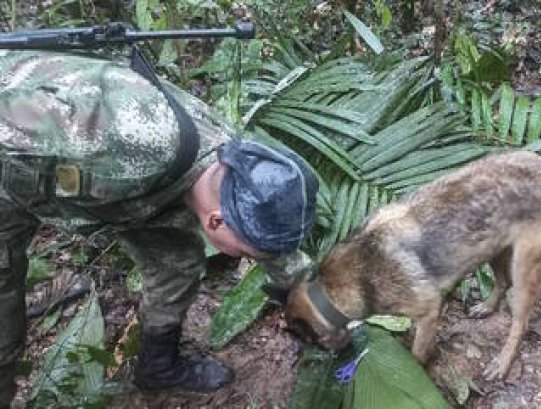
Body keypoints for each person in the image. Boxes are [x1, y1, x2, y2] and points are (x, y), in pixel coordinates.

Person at [0, 49, 318, 407]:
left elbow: (271, 242)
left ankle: (158, 366)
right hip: (12, 170)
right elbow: (15, 113)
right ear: (216, 220)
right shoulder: (119, 143)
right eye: (245, 253)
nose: (246, 258)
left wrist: (320, 303)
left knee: (177, 264)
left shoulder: (237, 166)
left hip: (131, 194)